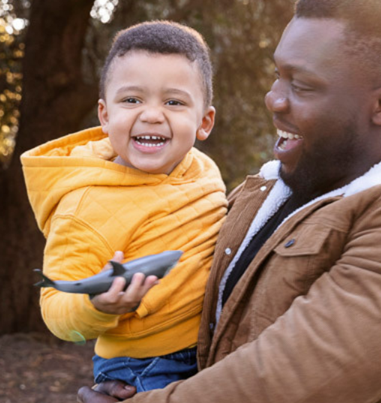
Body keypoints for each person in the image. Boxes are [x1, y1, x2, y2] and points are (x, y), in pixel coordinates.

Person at [78, 0, 381, 402]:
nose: (274, 99)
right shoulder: (275, 185)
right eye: (278, 75)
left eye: (302, 85)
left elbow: (284, 383)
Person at [21, 21, 227, 392]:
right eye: (132, 100)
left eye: (174, 102)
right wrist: (97, 308)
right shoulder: (85, 205)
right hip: (143, 367)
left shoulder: (201, 168)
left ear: (204, 121)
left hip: (216, 349)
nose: (151, 114)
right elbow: (54, 307)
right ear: (104, 115)